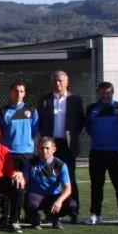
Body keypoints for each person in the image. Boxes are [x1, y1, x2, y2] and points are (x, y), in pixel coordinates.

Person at [84, 81, 118, 226]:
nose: (105, 96)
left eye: (107, 93)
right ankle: (95, 214)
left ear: (112, 93)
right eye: (102, 93)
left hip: (116, 152)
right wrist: (98, 138)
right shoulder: (91, 109)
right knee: (96, 185)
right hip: (97, 153)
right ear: (98, 93)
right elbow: (88, 127)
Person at [37, 70, 85, 222]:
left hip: (67, 144)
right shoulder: (44, 100)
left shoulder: (75, 100)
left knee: (70, 178)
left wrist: (72, 136)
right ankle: (50, 212)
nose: (57, 83)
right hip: (50, 145)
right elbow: (40, 122)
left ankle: (74, 211)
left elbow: (80, 121)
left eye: (60, 81)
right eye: (55, 81)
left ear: (67, 82)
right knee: (49, 178)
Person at [23, 137, 76, 229]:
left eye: (47, 148)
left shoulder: (60, 165)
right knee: (28, 202)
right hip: (36, 196)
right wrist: (19, 177)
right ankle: (35, 217)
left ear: (54, 149)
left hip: (54, 196)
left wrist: (59, 201)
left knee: (72, 205)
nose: (44, 151)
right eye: (42, 148)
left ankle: (53, 216)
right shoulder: (30, 163)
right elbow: (24, 181)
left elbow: (68, 188)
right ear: (38, 148)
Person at [0, 82, 39, 172]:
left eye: (21, 91)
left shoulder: (31, 110)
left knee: (26, 179)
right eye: (16, 91)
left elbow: (34, 130)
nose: (18, 94)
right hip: (8, 153)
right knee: (9, 179)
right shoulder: (3, 111)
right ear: (11, 93)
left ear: (24, 93)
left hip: (26, 152)